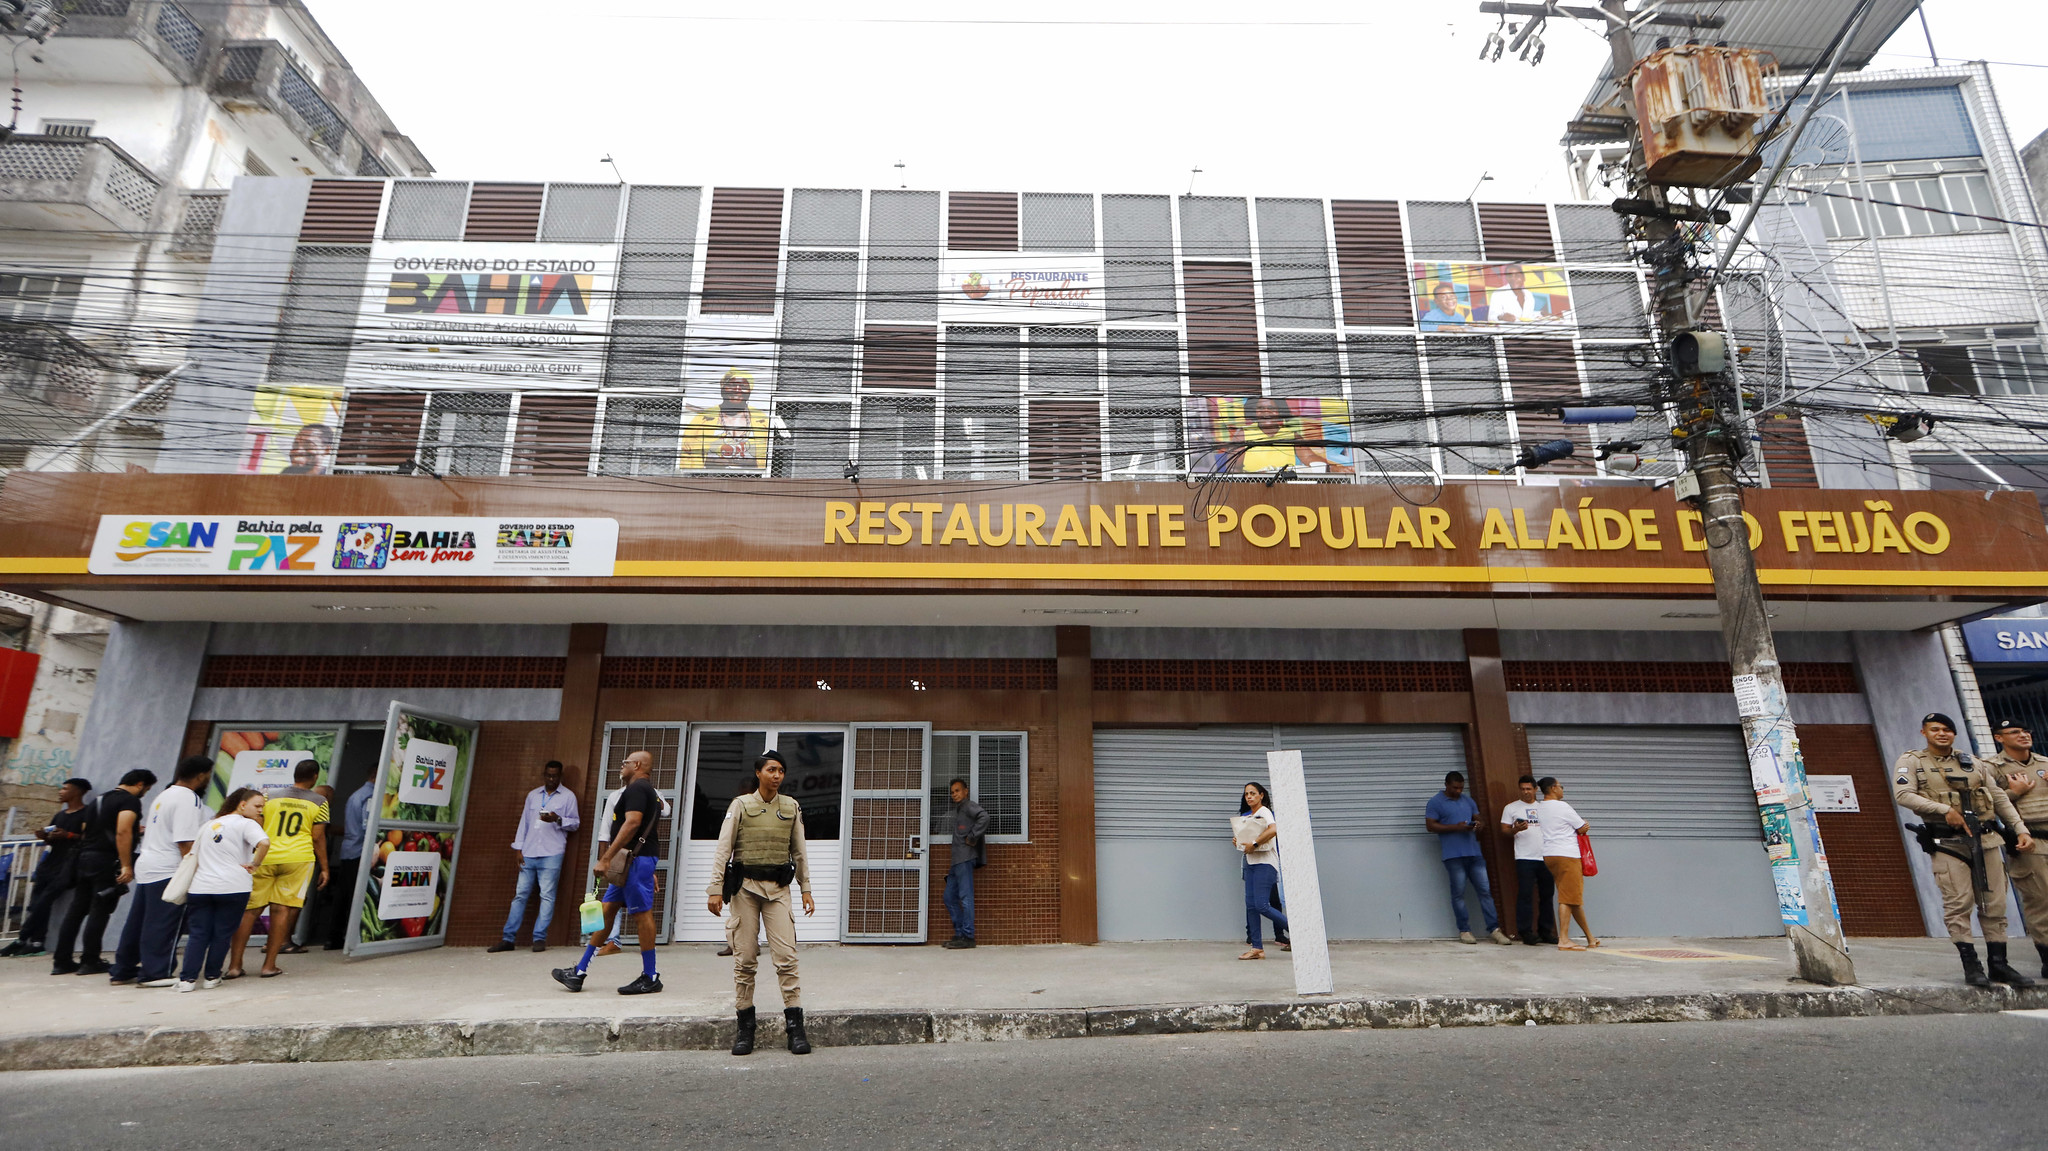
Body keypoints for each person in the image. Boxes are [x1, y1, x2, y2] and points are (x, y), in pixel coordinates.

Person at [1894, 712, 2035, 987]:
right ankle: (1972, 966)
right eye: (1935, 729)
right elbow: (1903, 795)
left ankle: (1999, 964)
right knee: (1958, 904)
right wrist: (1944, 810)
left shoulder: (1972, 762)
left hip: (1986, 840)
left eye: (1947, 729)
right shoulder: (1912, 761)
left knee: (1995, 904)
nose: (1942, 734)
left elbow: (1998, 797)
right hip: (1948, 843)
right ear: (1924, 733)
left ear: (1954, 733)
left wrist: (2020, 829)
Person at [706, 750, 815, 1055]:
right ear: (758, 773)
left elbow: (799, 851)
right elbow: (723, 848)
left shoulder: (791, 806)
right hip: (745, 889)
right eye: (771, 770)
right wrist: (715, 888)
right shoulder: (740, 805)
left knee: (786, 958)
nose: (776, 775)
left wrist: (806, 888)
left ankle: (795, 1028)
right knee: (745, 959)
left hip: (778, 889)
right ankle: (745, 1029)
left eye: (781, 770)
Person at [554, 750, 664, 995]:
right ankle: (579, 971)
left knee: (642, 914)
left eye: (626, 763)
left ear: (637, 765)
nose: (621, 767)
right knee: (607, 910)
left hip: (634, 862)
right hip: (633, 863)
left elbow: (633, 823)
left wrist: (606, 858)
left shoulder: (637, 789)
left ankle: (651, 976)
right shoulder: (646, 791)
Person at [111, 755, 212, 987]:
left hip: (149, 864)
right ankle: (156, 972)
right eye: (207, 775)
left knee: (138, 922)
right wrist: (195, 870)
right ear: (201, 776)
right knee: (164, 923)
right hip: (169, 868)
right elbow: (185, 841)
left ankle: (123, 969)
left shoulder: (164, 795)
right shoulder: (188, 799)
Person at [229, 760, 328, 979]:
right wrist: (325, 868)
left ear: (294, 775)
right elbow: (317, 837)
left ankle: (234, 966)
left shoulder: (269, 797)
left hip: (265, 857)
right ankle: (269, 966)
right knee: (281, 910)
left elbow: (257, 825)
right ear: (314, 777)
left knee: (250, 910)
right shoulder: (320, 801)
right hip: (298, 860)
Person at [50, 769, 153, 976]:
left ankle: (61, 961)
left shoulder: (98, 800)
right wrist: (126, 865)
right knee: (100, 909)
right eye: (147, 789)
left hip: (85, 858)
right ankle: (90, 961)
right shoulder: (129, 801)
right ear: (140, 784)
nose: (145, 793)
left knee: (76, 910)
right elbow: (122, 831)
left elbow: (87, 829)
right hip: (106, 861)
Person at [178, 788, 270, 992]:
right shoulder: (246, 824)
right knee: (222, 933)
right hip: (233, 887)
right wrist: (255, 864)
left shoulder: (208, 825)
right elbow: (264, 842)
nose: (260, 810)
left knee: (198, 934)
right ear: (242, 804)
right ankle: (212, 976)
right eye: (257, 806)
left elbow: (193, 854)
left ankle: (187, 980)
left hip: (201, 887)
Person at [491, 760, 582, 954]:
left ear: (560, 776)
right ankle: (508, 939)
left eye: (555, 776)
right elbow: (523, 822)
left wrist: (557, 819)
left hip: (552, 853)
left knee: (547, 895)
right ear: (544, 775)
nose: (551, 779)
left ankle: (539, 938)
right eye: (548, 775)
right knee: (520, 895)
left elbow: (575, 823)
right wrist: (519, 849)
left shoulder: (568, 797)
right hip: (529, 852)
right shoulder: (533, 795)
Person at [0, 778, 91, 957]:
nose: (60, 792)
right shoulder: (60, 815)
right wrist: (45, 836)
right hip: (50, 863)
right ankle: (37, 942)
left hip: (69, 865)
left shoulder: (87, 813)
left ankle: (21, 939)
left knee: (44, 901)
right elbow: (52, 840)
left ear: (77, 792)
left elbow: (89, 838)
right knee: (37, 903)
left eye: (65, 789)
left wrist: (69, 835)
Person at [1989, 717, 2048, 979]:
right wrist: (2015, 792)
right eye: (2015, 732)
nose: (2023, 735)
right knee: (2041, 901)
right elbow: (1983, 804)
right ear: (1999, 738)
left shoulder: (2045, 762)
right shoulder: (1992, 768)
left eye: (2025, 730)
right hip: (2029, 842)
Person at [1426, 771, 1512, 946]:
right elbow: (1430, 826)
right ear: (1446, 785)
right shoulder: (1435, 802)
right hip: (1453, 856)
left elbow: (1480, 819)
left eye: (1461, 788)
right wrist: (1455, 827)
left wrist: (1479, 825)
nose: (1458, 791)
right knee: (1458, 894)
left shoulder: (1468, 801)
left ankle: (1494, 930)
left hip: (1474, 854)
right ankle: (1464, 931)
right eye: (1455, 788)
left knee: (1485, 891)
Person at [588, 782, 672, 958]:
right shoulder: (615, 796)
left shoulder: (653, 794)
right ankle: (594, 955)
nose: (622, 769)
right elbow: (605, 832)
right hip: (619, 856)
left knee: (640, 912)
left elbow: (666, 810)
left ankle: (648, 967)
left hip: (639, 858)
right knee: (610, 906)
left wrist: (651, 795)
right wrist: (604, 860)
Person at [1534, 776, 1598, 951]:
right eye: (1561, 786)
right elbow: (1581, 826)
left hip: (1550, 854)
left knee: (1572, 897)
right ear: (1553, 788)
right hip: (1567, 855)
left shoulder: (1540, 808)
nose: (1562, 789)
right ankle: (1563, 939)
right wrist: (1585, 825)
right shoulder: (1562, 806)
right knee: (1567, 898)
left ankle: (1590, 938)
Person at [1499, 775, 1556, 946]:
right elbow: (1504, 830)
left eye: (1529, 789)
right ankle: (1526, 932)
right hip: (1524, 857)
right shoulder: (1511, 808)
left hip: (1545, 856)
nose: (1525, 792)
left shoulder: (1543, 807)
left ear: (1535, 789)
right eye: (1522, 789)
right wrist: (1515, 829)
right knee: (1525, 895)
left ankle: (1545, 931)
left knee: (1547, 895)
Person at [680, 368, 774, 471]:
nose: (737, 390)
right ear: (722, 388)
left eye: (743, 386)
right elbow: (686, 452)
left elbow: (771, 456)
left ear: (750, 391)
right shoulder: (702, 419)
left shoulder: (763, 421)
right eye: (732, 385)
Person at [1236, 782, 1289, 961]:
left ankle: (1298, 933)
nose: (1249, 797)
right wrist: (1239, 842)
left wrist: (1255, 843)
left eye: (1253, 793)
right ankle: (1257, 948)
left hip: (1265, 863)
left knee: (1261, 905)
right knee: (1251, 906)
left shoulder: (1264, 812)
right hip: (1250, 863)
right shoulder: (1249, 816)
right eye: (1246, 794)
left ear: (1261, 795)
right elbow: (1247, 842)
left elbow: (1273, 829)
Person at [323, 777, 376, 950]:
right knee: (356, 896)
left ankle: (334, 937)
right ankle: (351, 938)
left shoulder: (357, 795)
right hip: (359, 852)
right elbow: (369, 826)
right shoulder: (369, 796)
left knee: (343, 896)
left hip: (349, 850)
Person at [942, 777, 989, 949]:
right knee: (949, 897)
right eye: (952, 792)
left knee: (965, 897)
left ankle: (968, 936)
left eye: (957, 790)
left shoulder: (969, 806)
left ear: (966, 791)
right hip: (956, 861)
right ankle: (960, 934)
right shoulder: (959, 810)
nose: (954, 794)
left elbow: (984, 817)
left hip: (965, 858)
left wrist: (973, 836)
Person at [1238, 397, 1300, 473]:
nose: (1266, 412)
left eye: (1271, 408)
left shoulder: (1291, 435)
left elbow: (1310, 460)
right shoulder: (1243, 434)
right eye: (1260, 408)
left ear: (1280, 411)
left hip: (1285, 480)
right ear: (1254, 412)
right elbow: (1233, 469)